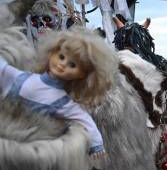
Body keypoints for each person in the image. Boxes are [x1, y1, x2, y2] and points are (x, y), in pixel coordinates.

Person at [0, 27, 116, 157]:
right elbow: (3, 68)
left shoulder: (63, 102)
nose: (62, 64)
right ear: (51, 53)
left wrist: (97, 145)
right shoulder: (21, 78)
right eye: (61, 57)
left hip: (27, 148)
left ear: (82, 75)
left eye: (72, 65)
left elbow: (86, 121)